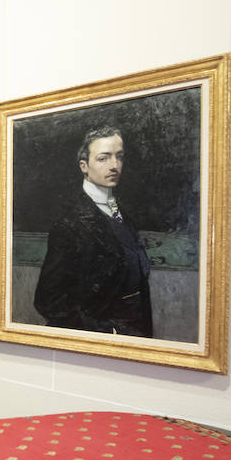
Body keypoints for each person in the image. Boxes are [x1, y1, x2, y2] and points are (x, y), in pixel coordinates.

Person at [33, 126, 153, 337]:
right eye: (103, 158)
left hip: (137, 331)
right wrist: (106, 331)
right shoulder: (71, 223)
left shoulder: (122, 212)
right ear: (84, 166)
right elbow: (48, 300)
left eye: (119, 157)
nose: (114, 165)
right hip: (101, 339)